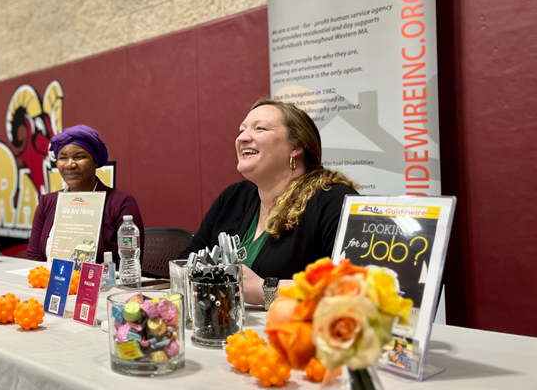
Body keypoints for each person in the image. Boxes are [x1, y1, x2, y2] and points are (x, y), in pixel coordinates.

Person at [180, 98, 358, 304]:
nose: (242, 138)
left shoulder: (334, 201)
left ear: (296, 146)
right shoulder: (234, 198)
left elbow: (352, 285)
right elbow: (187, 260)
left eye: (260, 129)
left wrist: (265, 289)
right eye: (241, 130)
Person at [27, 125, 145, 265]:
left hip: (103, 286)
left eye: (79, 157)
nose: (70, 165)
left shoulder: (121, 203)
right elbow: (34, 258)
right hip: (52, 284)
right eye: (63, 158)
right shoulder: (48, 202)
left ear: (95, 161)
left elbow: (129, 264)